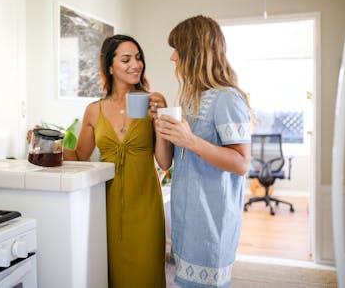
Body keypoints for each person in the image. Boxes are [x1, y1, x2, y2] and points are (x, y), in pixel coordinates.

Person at [63, 34, 173, 287]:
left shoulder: (154, 101)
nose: (136, 64)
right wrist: (49, 144)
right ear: (109, 67)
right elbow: (80, 157)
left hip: (146, 202)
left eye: (138, 58)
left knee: (146, 275)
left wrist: (160, 119)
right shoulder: (94, 110)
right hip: (108, 205)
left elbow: (165, 162)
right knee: (112, 275)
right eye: (126, 59)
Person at [155, 15, 251, 288]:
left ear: (194, 52)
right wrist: (159, 124)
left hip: (213, 221)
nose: (173, 57)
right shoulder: (190, 99)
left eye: (178, 49)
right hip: (187, 218)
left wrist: (190, 140)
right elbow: (166, 162)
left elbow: (242, 163)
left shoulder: (227, 98)